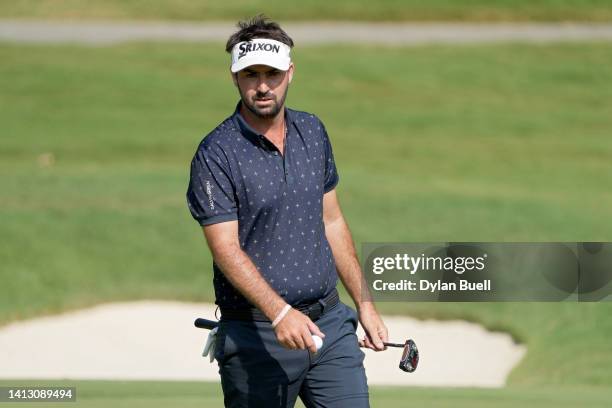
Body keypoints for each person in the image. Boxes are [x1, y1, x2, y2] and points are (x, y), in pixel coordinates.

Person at [186, 15, 388, 408]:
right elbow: (225, 248)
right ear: (235, 78)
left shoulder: (312, 131)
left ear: (290, 73)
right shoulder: (216, 153)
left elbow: (332, 220)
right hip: (256, 335)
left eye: (272, 74)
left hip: (329, 326)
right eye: (251, 74)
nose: (262, 85)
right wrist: (280, 314)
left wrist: (364, 304)